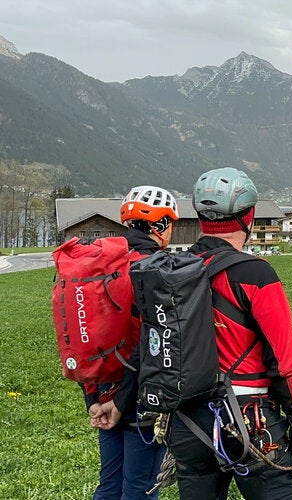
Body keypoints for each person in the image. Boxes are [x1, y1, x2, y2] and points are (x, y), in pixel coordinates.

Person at [166, 167, 292, 499]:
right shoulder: (255, 273)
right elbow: (286, 360)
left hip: (187, 420)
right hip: (249, 418)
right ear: (248, 215)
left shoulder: (175, 270)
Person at [85, 185, 178, 499]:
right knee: (141, 487)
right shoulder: (159, 268)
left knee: (109, 483)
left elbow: (82, 336)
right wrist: (123, 400)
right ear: (160, 224)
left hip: (101, 388)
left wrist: (94, 401)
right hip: (141, 393)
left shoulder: (100, 263)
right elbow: (155, 341)